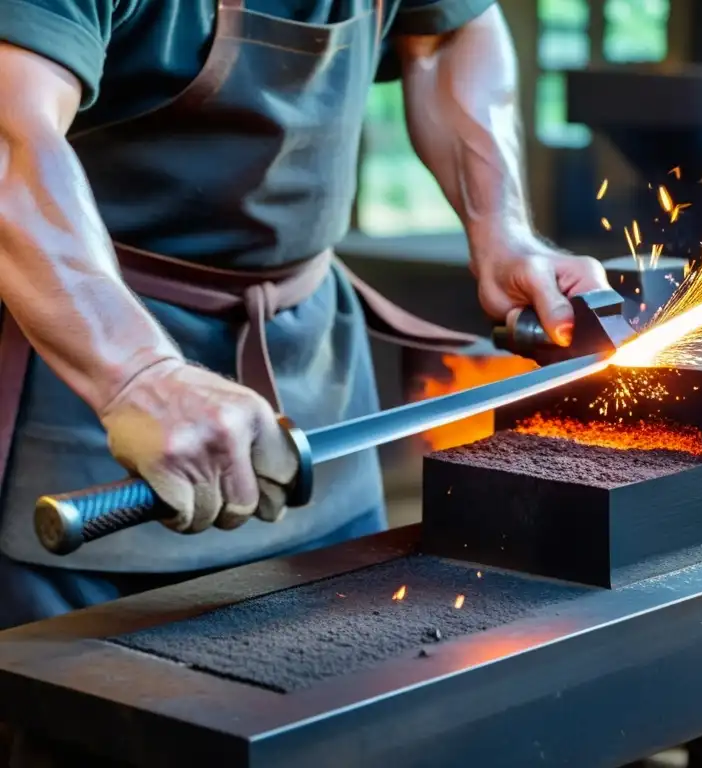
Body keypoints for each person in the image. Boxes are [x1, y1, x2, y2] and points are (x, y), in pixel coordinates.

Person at [0, 0, 609, 630]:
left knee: (346, 677)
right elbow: (11, 137)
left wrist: (502, 228)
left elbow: (451, 32)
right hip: (85, 385)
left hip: (317, 377)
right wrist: (137, 373)